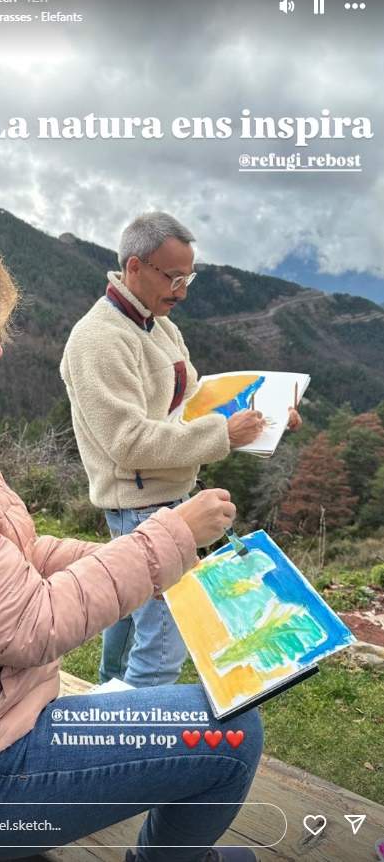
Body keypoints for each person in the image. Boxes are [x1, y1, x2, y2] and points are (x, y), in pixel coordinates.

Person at [0, 221, 263, 862]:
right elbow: (33, 623)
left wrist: (154, 558)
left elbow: (18, 557)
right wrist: (170, 534)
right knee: (232, 733)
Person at [60, 212, 301, 689]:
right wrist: (223, 435)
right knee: (163, 641)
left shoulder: (159, 325)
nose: (183, 290)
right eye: (173, 277)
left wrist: (265, 419)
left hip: (164, 496)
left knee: (128, 612)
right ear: (135, 267)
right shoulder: (99, 339)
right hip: (139, 505)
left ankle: (107, 700)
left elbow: (193, 397)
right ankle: (139, 739)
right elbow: (126, 443)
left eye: (187, 277)